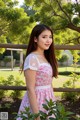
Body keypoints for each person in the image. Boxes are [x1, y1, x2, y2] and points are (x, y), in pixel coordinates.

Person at [17, 24, 58, 120]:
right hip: (37, 101)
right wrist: (36, 116)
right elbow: (30, 88)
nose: (48, 40)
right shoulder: (32, 58)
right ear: (35, 39)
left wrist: (53, 104)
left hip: (48, 99)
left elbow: (49, 83)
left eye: (50, 37)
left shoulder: (46, 57)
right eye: (44, 37)